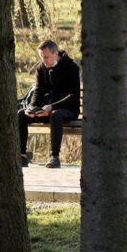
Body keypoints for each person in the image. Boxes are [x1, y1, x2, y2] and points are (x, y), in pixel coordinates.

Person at [18, 40, 80, 168]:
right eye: (41, 57)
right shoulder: (41, 68)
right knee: (21, 114)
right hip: (46, 109)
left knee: (55, 115)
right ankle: (22, 155)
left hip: (67, 109)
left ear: (55, 53)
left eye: (46, 57)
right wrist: (32, 107)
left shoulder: (71, 67)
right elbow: (38, 91)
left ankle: (54, 156)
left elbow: (73, 96)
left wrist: (52, 106)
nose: (43, 60)